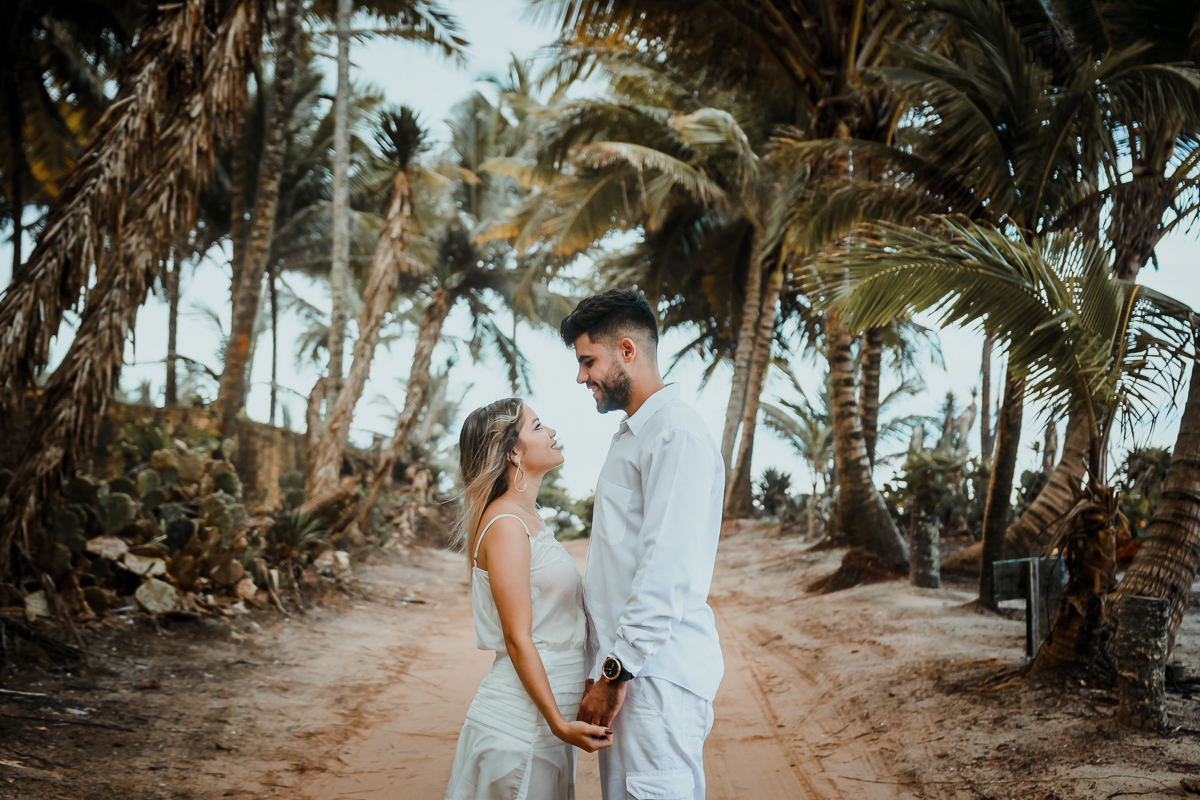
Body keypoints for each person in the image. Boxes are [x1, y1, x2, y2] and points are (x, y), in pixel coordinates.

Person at [562, 289, 725, 800]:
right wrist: (603, 669)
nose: (581, 376)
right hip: (635, 673)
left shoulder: (674, 434)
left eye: (588, 360)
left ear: (627, 351)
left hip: (652, 675)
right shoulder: (637, 434)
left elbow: (665, 567)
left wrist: (616, 672)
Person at [445, 398, 612, 800]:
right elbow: (518, 637)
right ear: (513, 452)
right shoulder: (504, 524)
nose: (552, 432)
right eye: (538, 426)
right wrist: (557, 722)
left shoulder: (527, 518)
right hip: (521, 729)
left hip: (543, 728)